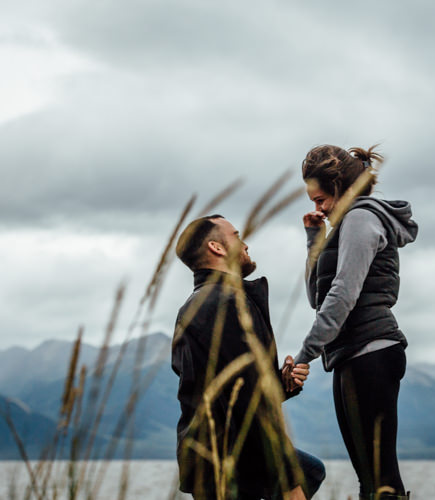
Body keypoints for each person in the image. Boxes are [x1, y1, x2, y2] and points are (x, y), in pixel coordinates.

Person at [292, 145, 418, 500]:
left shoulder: (362, 219)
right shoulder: (346, 224)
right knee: (369, 480)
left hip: (371, 352)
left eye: (321, 200)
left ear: (338, 189)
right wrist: (314, 240)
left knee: (380, 480)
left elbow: (343, 296)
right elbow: (318, 298)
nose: (319, 209)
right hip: (349, 355)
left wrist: (303, 357)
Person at [172, 214, 324, 499]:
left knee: (312, 470)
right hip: (231, 460)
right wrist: (288, 482)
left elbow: (229, 390)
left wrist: (280, 384)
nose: (245, 244)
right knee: (307, 472)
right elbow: (248, 405)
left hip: (213, 455)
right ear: (217, 248)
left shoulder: (203, 303)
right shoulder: (223, 303)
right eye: (236, 235)